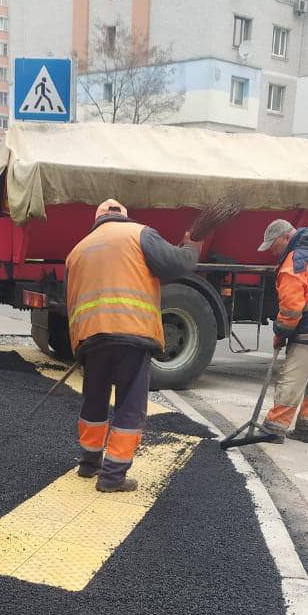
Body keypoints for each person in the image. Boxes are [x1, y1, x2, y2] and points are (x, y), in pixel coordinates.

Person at [65, 199, 199, 492]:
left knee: (95, 400)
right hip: (132, 335)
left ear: (97, 219)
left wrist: (78, 345)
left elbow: (71, 300)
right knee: (129, 406)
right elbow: (179, 265)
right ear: (123, 216)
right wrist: (192, 246)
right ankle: (113, 476)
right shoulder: (140, 234)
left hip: (92, 338)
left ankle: (89, 464)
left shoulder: (78, 250)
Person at [245, 218, 308, 445]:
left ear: (286, 238)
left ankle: (275, 427)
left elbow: (291, 310)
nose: (272, 252)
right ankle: (306, 428)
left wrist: (280, 333)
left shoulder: (293, 265)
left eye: (274, 246)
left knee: (292, 378)